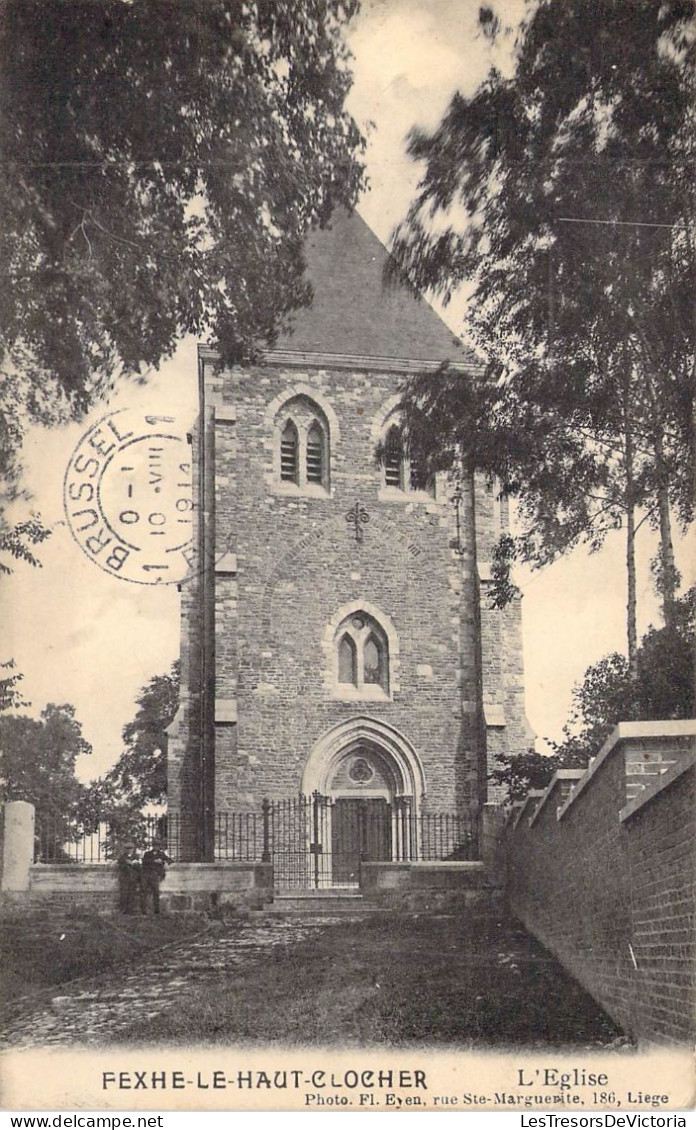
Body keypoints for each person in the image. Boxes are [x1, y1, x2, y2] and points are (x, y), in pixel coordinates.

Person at [140, 840, 172, 915]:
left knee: (156, 892)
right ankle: (143, 910)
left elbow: (170, 860)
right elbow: (144, 861)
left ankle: (156, 910)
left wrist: (164, 862)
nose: (156, 847)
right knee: (143, 892)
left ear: (159, 846)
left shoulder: (161, 854)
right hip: (146, 874)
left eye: (157, 845)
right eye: (154, 845)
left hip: (154, 875)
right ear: (152, 846)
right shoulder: (147, 854)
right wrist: (155, 861)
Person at [116, 844, 141, 915]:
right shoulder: (122, 857)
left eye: (131, 849)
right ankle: (123, 910)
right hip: (124, 878)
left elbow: (139, 868)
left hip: (133, 878)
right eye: (127, 849)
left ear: (133, 849)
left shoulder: (136, 857)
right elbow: (120, 867)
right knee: (124, 894)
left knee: (131, 894)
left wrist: (132, 864)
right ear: (125, 850)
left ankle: (130, 910)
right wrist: (126, 864)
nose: (129, 850)